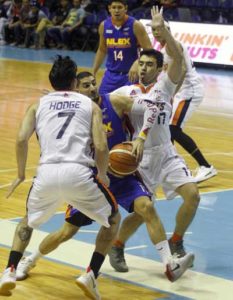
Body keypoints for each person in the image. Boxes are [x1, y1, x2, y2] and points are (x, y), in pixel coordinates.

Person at [15, 71, 194, 293]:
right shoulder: (77, 108)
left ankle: (169, 264)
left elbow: (153, 107)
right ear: (75, 89)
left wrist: (141, 136)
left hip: (121, 175)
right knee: (67, 232)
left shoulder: (114, 101)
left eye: (93, 83)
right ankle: (30, 260)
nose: (92, 88)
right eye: (86, 85)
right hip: (92, 179)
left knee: (146, 208)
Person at [0, 55, 121, 298]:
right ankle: (90, 274)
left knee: (28, 221)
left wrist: (21, 174)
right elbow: (100, 146)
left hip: (46, 173)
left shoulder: (38, 104)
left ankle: (9, 270)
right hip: (78, 172)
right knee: (113, 219)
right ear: (75, 82)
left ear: (51, 80)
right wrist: (101, 174)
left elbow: (21, 139)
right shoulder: (91, 105)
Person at [107, 6, 200, 273]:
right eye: (142, 63)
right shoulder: (125, 91)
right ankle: (117, 245)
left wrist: (162, 32)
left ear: (160, 69)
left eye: (151, 65)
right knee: (140, 213)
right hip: (140, 157)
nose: (145, 68)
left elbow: (178, 58)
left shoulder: (166, 86)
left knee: (192, 195)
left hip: (166, 152)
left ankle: (177, 240)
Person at [155, 20, 217, 183]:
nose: (155, 32)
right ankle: (171, 166)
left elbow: (182, 70)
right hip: (181, 92)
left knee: (173, 129)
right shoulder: (164, 47)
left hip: (189, 91)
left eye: (158, 29)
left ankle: (206, 166)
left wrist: (172, 93)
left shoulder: (173, 45)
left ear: (167, 30)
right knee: (167, 129)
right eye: (153, 30)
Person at [92, 0, 152, 94]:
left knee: (128, 106)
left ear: (126, 9)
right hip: (110, 75)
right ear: (109, 9)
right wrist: (94, 71)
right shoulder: (104, 25)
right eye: (114, 7)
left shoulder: (136, 25)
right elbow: (102, 50)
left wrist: (137, 62)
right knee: (102, 103)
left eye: (119, 7)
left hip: (130, 75)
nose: (116, 10)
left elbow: (149, 50)